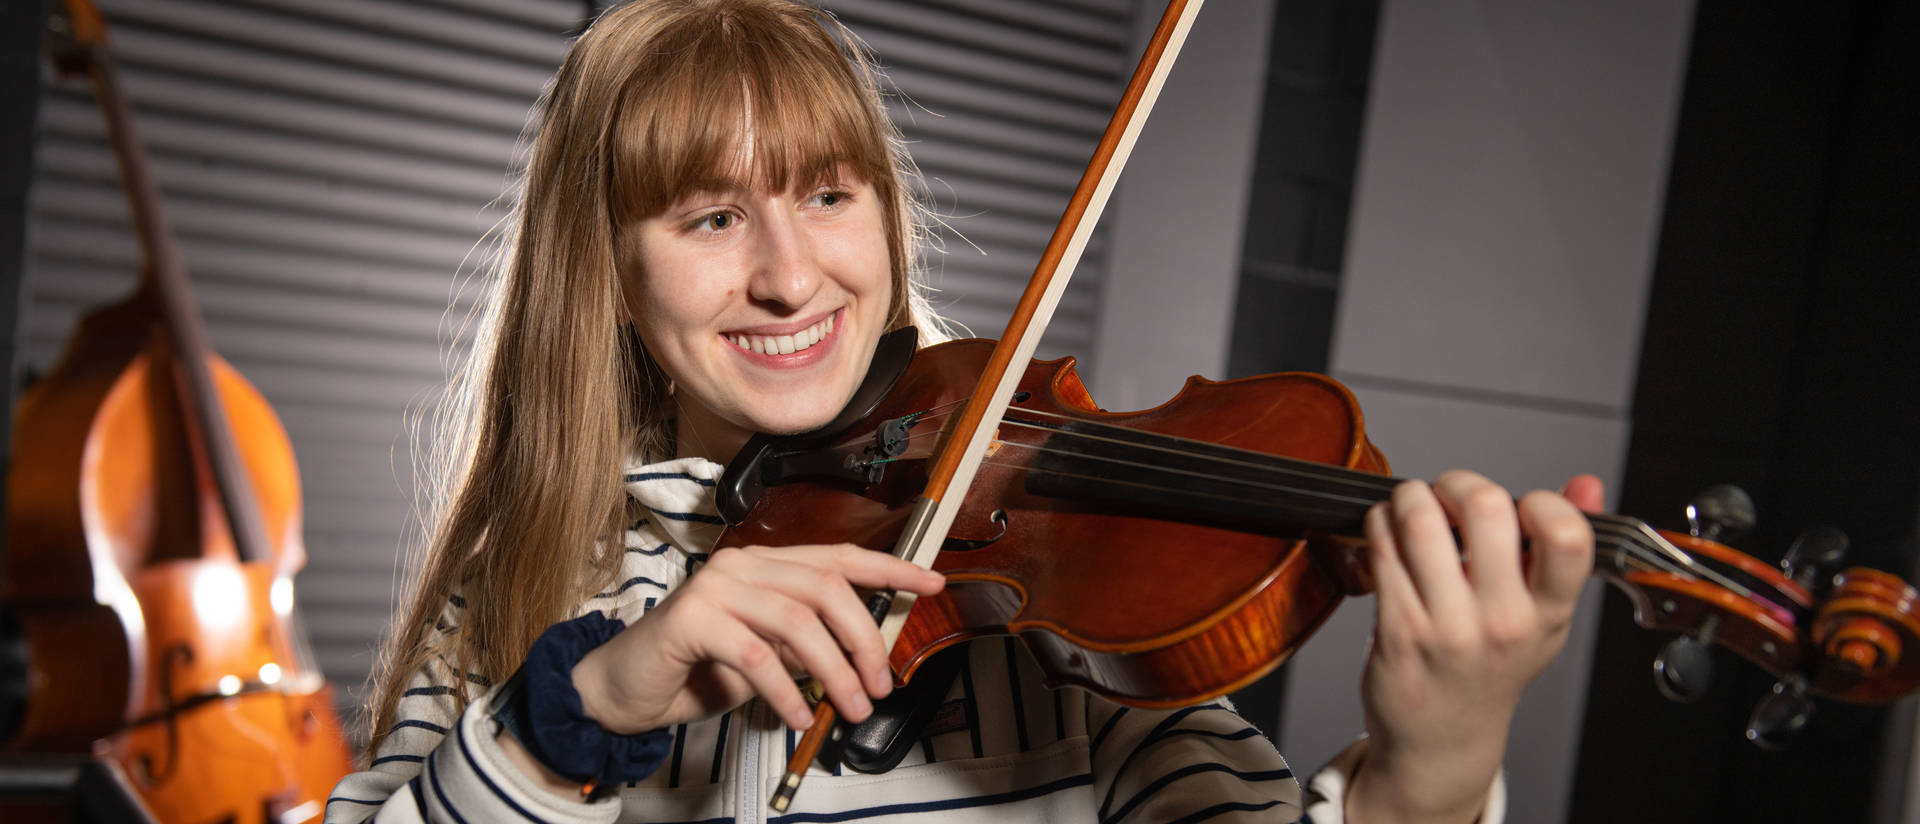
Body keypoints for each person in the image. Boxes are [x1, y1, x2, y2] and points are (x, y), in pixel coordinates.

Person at [325, 1, 1604, 822]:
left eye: (828, 194)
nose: (788, 271)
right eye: (713, 217)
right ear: (605, 269)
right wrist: (588, 705)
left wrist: (1427, 782)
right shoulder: (531, 584)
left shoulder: (1049, 594)